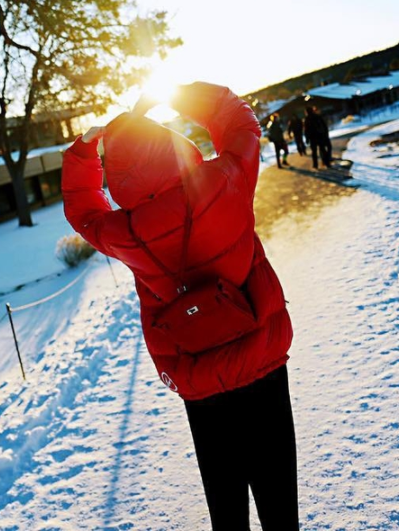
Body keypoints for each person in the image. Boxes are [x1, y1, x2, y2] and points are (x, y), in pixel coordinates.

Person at [61, 82, 297, 530]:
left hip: (197, 374)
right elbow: (240, 123)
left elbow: (82, 211)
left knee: (226, 509)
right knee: (279, 502)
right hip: (260, 353)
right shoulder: (224, 180)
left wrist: (85, 150)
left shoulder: (124, 232)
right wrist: (179, 96)